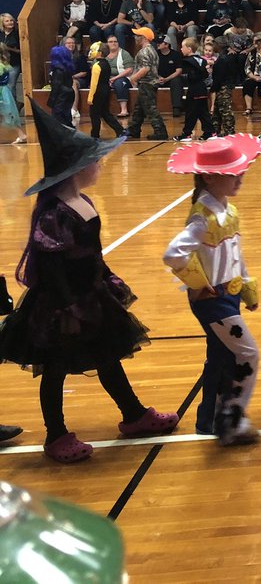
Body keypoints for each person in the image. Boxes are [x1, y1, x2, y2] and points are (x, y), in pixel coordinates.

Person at [0, 104, 178, 461]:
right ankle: (56, 434)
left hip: (90, 295)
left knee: (108, 355)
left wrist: (105, 278)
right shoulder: (54, 214)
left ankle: (133, 414)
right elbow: (50, 267)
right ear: (76, 169)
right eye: (95, 160)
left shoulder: (84, 202)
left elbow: (91, 253)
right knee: (55, 369)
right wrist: (67, 306)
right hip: (61, 304)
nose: (101, 165)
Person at [163, 134, 261, 444]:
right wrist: (199, 284)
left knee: (221, 358)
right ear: (209, 176)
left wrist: (246, 284)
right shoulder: (202, 217)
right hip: (214, 301)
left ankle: (208, 419)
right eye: (234, 174)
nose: (241, 179)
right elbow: (173, 254)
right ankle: (231, 419)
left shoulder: (228, 211)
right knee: (248, 354)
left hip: (229, 296)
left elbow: (235, 252)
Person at [124, 28, 169, 141]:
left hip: (147, 83)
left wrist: (133, 78)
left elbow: (145, 68)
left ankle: (160, 132)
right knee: (139, 108)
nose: (135, 37)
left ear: (143, 38)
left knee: (150, 109)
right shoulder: (152, 50)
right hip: (149, 83)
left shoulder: (144, 52)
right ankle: (134, 130)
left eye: (137, 35)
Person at [175, 38, 215, 142]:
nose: (181, 49)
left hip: (194, 89)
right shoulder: (203, 60)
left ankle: (187, 134)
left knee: (191, 112)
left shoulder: (186, 62)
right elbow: (206, 74)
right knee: (203, 112)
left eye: (183, 47)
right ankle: (210, 132)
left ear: (189, 49)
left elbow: (190, 76)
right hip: (202, 88)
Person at [84, 42, 122, 139]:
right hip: (105, 91)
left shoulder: (97, 66)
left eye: (93, 50)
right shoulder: (106, 63)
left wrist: (90, 97)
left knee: (94, 114)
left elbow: (94, 83)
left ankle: (95, 135)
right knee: (105, 113)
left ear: (100, 52)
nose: (91, 52)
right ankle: (120, 130)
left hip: (98, 92)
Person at [211, 37, 240, 137]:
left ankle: (229, 131)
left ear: (219, 45)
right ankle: (216, 130)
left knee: (225, 110)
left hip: (223, 87)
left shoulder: (222, 60)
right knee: (217, 110)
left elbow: (218, 77)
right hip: (225, 85)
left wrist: (213, 88)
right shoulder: (227, 57)